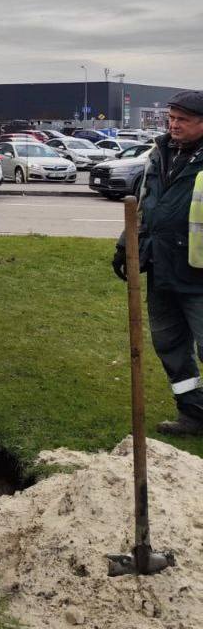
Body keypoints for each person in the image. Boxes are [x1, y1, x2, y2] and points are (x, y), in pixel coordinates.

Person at [112, 91, 203, 436]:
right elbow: (144, 207)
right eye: (172, 117)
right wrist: (125, 247)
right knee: (169, 345)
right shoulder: (160, 153)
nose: (173, 124)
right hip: (162, 270)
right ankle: (193, 413)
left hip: (199, 274)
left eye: (183, 119)